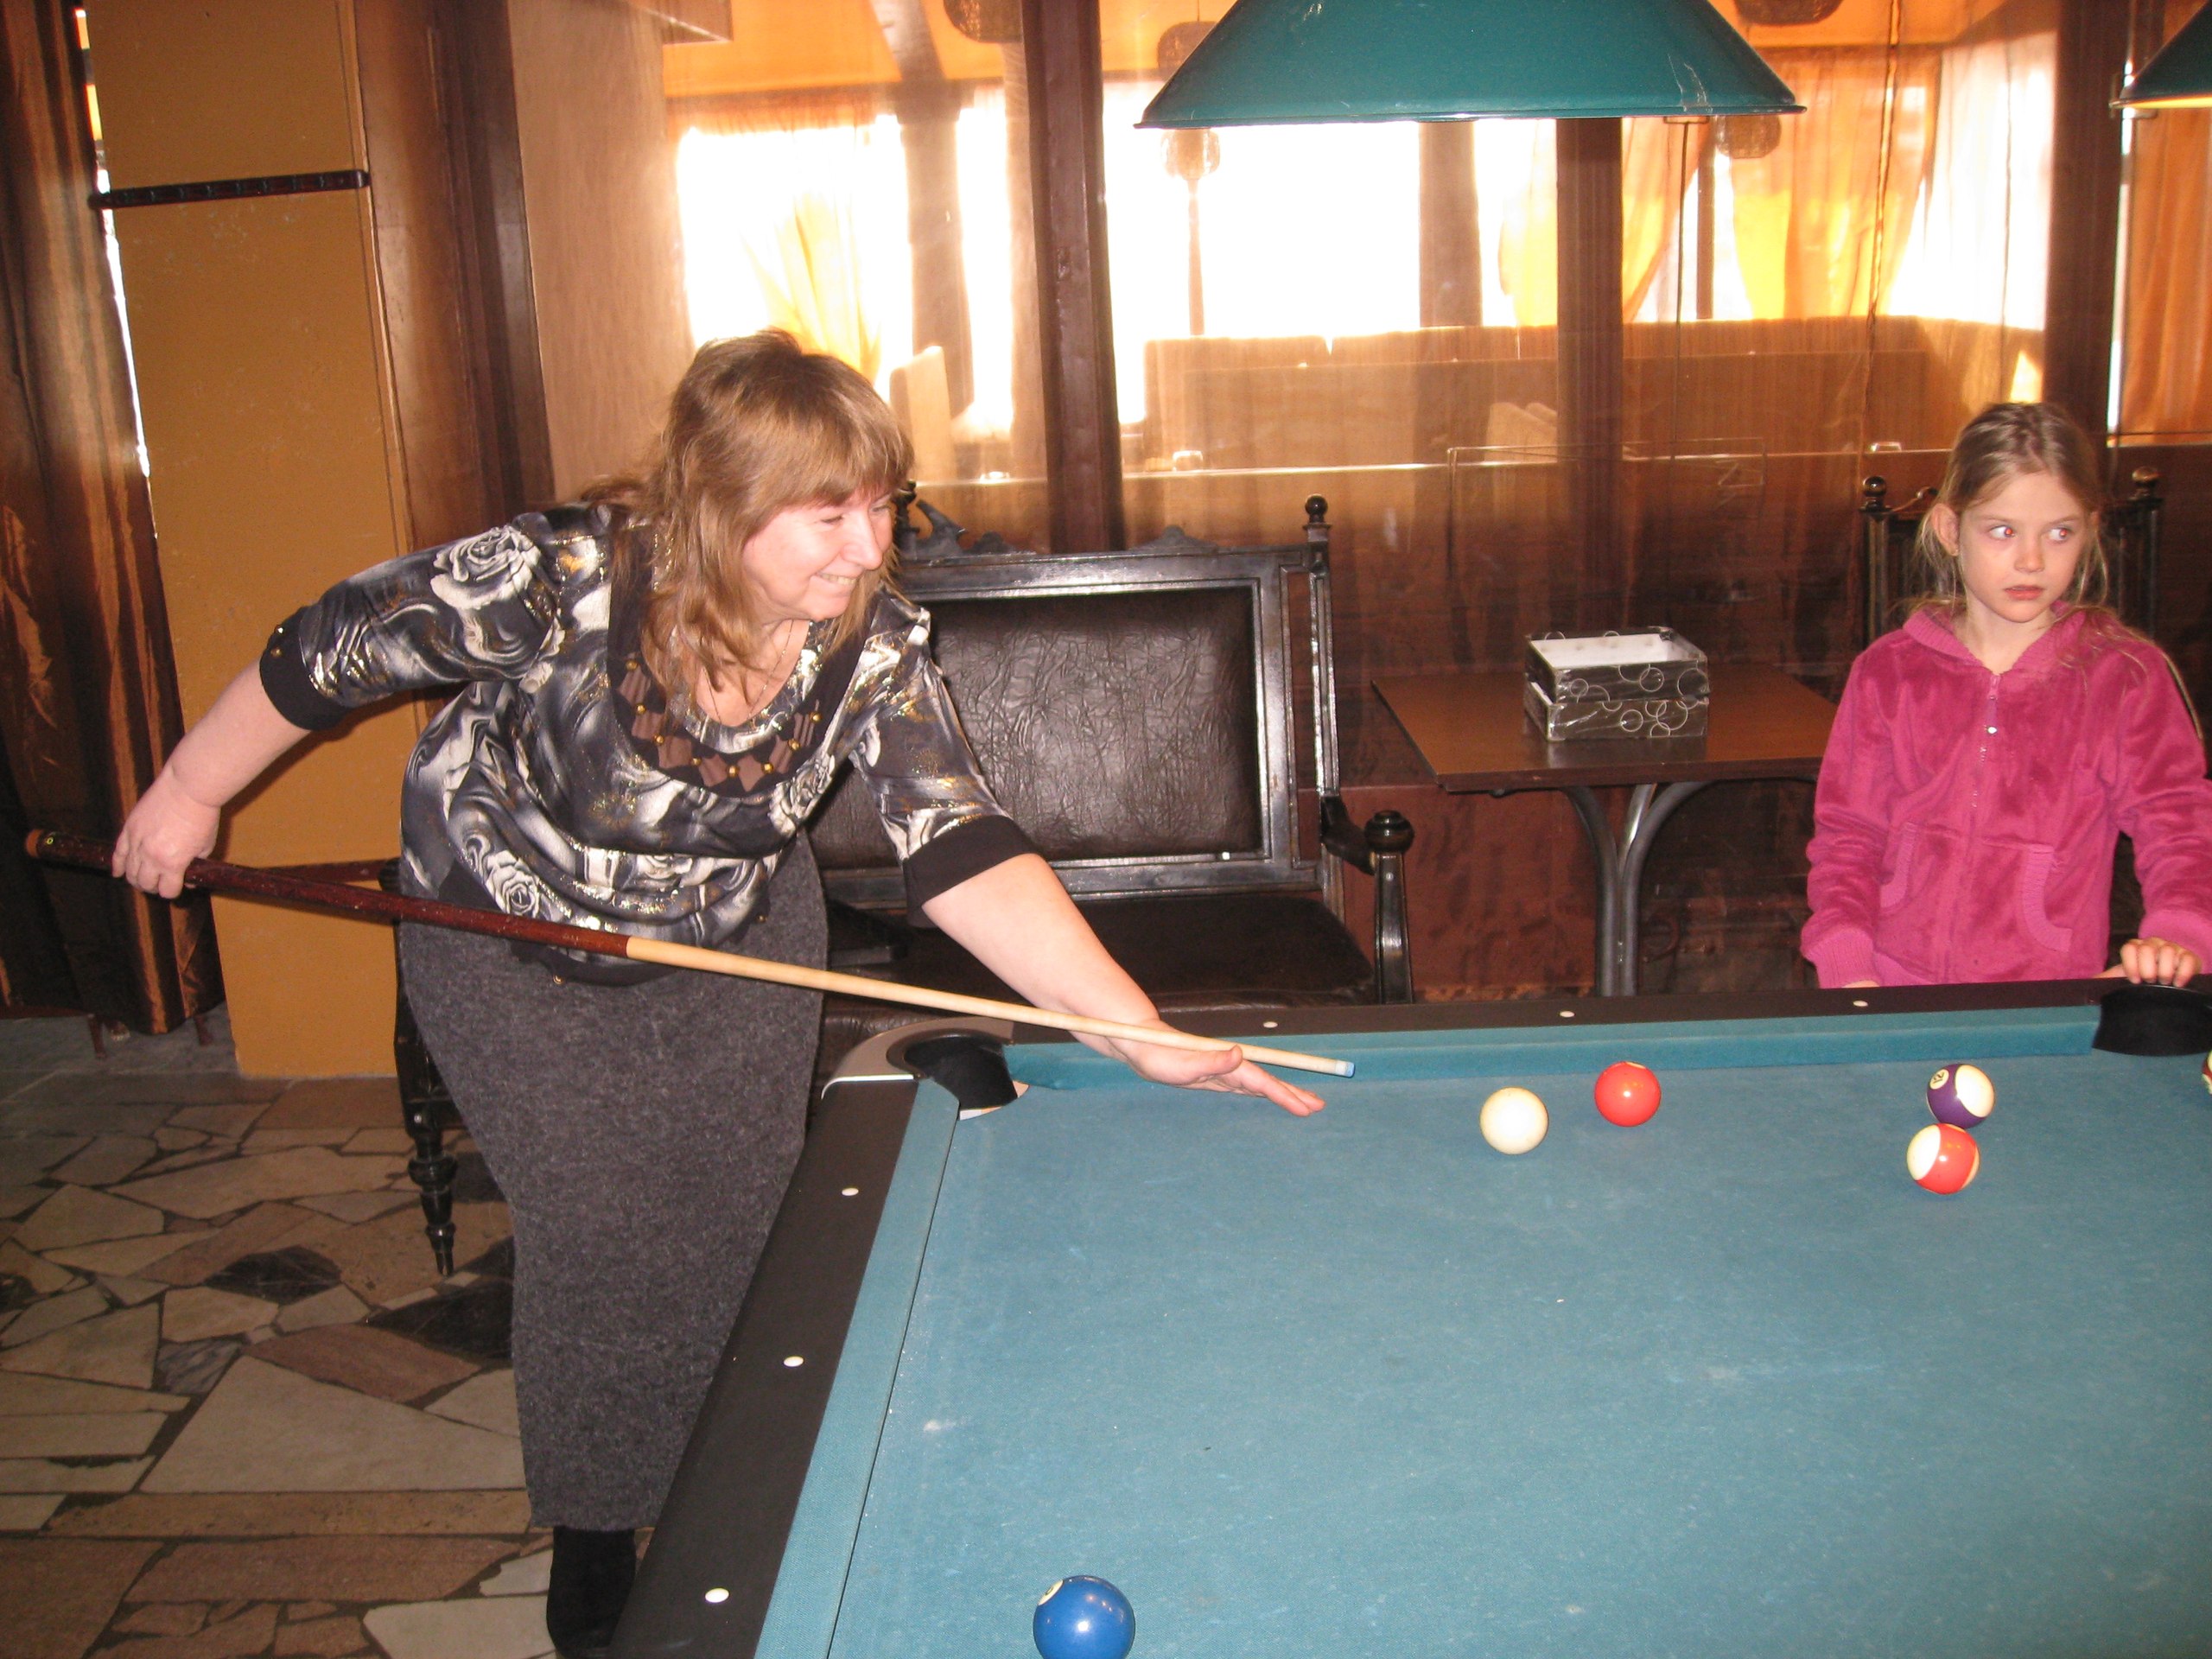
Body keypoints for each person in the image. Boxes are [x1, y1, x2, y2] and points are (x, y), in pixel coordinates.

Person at [112, 331, 1323, 1659]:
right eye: (828, 513)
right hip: (504, 939)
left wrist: (1132, 1030)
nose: (869, 546)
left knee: (744, 1220)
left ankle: (735, 1493)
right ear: (720, 504)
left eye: (882, 505)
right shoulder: (554, 580)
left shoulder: (869, 640)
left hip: (726, 931)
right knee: (607, 1232)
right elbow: (329, 650)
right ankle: (598, 1529)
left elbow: (960, 842)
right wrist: (189, 791)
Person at [1802, 401, 2212, 991]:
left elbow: (2179, 827)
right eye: (2002, 530)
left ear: (2090, 532)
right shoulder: (1887, 673)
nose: (2031, 560)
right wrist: (1847, 964)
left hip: (2046, 997)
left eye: (2060, 533)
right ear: (1950, 530)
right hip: (1889, 989)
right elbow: (1848, 837)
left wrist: (2179, 933)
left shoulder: (2127, 677)